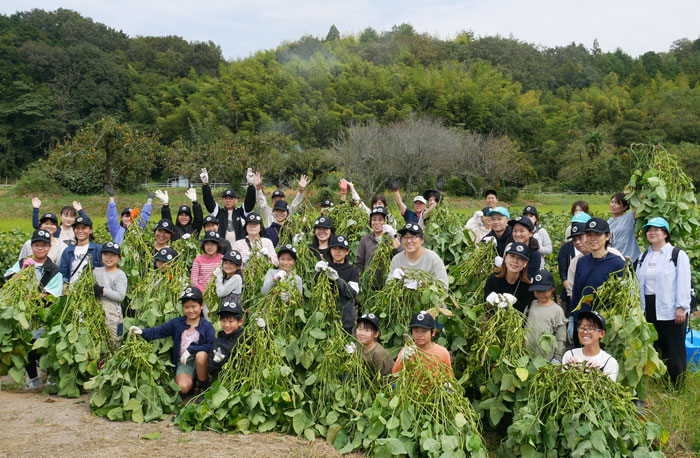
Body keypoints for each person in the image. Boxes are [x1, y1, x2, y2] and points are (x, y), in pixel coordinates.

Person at [5, 229, 63, 389]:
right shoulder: (22, 262)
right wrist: (23, 269)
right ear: (31, 246)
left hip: (44, 314)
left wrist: (32, 296)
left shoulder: (53, 269)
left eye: (44, 245)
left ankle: (51, 377)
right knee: (26, 346)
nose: (40, 248)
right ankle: (33, 379)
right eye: (36, 245)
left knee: (45, 346)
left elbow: (53, 293)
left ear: (49, 247)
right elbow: (8, 278)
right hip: (24, 314)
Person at [635, 217, 690, 387]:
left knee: (673, 347)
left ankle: (676, 385)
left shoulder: (676, 255)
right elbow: (637, 283)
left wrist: (681, 307)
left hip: (669, 306)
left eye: (657, 229)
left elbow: (683, 282)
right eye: (649, 229)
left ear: (665, 233)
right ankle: (659, 382)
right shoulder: (643, 256)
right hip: (648, 306)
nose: (652, 232)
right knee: (655, 346)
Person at [130, 287, 215, 395]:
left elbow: (211, 345)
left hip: (201, 361)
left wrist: (191, 350)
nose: (190, 310)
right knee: (182, 388)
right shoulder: (177, 323)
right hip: (184, 363)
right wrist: (142, 332)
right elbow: (159, 331)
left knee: (201, 355)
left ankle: (203, 386)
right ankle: (191, 383)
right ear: (182, 307)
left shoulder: (207, 326)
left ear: (202, 305)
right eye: (186, 307)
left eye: (194, 306)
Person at [569, 218, 625, 328]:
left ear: (607, 236)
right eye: (589, 235)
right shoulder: (582, 262)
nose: (592, 239)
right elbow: (576, 292)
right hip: (584, 320)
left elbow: (622, 297)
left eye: (597, 235)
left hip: (606, 322)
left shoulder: (617, 263)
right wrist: (573, 317)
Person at [315, 234, 360, 334]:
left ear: (347, 251)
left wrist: (337, 279)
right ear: (330, 250)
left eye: (341, 249)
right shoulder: (325, 268)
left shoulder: (352, 270)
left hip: (345, 321)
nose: (337, 252)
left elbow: (352, 293)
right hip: (326, 319)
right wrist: (317, 273)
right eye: (334, 248)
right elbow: (316, 290)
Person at [200, 167, 256, 246]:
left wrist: (250, 186)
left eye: (231, 198)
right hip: (222, 248)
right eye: (225, 198)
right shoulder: (218, 212)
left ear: (236, 200)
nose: (228, 200)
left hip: (240, 248)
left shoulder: (241, 211)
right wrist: (205, 185)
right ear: (222, 200)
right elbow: (208, 201)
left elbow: (250, 202)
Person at [387, 223, 449, 289]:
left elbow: (443, 287)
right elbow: (388, 285)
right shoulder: (397, 259)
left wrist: (424, 286)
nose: (408, 241)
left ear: (422, 240)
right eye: (405, 237)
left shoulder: (433, 259)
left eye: (413, 237)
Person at [207, 300, 260, 377]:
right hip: (227, 379)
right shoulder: (219, 341)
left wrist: (264, 329)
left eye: (231, 321)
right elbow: (211, 369)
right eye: (223, 321)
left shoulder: (248, 334)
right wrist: (217, 362)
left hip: (247, 377)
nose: (227, 325)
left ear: (240, 322)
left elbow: (267, 345)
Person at [563, 311, 619, 381]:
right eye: (582, 328)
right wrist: (570, 372)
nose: (585, 332)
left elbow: (608, 390)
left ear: (601, 334)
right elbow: (562, 384)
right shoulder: (570, 355)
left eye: (590, 329)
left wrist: (595, 377)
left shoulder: (609, 362)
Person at [392, 311, 452, 377]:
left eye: (424, 331)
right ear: (411, 332)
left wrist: (447, 384)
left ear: (433, 332)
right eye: (416, 331)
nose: (420, 335)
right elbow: (395, 375)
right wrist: (402, 360)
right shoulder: (408, 351)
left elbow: (449, 375)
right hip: (412, 386)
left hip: (433, 387)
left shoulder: (442, 352)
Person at [525, 270, 567, 362]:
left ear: (552, 289)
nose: (540, 294)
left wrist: (557, 358)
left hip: (546, 360)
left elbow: (560, 338)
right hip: (526, 357)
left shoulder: (557, 311)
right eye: (537, 291)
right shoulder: (530, 305)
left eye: (544, 291)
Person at [355, 207, 402, 288]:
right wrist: (361, 280)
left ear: (385, 222)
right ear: (370, 222)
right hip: (370, 285)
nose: (377, 222)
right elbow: (359, 262)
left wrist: (393, 236)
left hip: (389, 285)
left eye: (380, 219)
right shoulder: (365, 240)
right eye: (374, 219)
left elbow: (400, 255)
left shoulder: (393, 238)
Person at [92, 241, 127, 347]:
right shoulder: (95, 271)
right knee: (97, 342)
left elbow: (121, 296)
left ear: (119, 258)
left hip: (113, 314)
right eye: (105, 254)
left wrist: (103, 291)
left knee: (114, 341)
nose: (109, 257)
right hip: (96, 311)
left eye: (113, 255)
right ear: (101, 256)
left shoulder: (120, 275)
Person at [484, 242, 533, 314]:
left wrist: (515, 302)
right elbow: (485, 309)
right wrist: (491, 303)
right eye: (512, 256)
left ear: (525, 263)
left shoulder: (527, 285)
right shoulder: (493, 279)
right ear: (505, 258)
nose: (515, 261)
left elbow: (525, 311)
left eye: (520, 258)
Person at [59, 214, 103, 289]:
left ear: (91, 230)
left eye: (84, 228)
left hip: (92, 292)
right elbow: (63, 274)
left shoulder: (98, 249)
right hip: (73, 293)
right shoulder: (68, 251)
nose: (80, 231)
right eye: (77, 228)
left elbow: (104, 271)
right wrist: (65, 289)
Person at [556, 215, 590, 310]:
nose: (578, 242)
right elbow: (563, 273)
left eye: (581, 238)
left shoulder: (611, 255)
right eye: (575, 240)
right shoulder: (575, 261)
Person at [353, 313, 394, 377]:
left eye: (367, 330)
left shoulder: (378, 353)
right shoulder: (359, 344)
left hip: (384, 382)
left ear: (376, 334)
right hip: (367, 377)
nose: (362, 333)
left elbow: (382, 379)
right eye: (360, 329)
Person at [608, 192, 640, 262]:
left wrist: (632, 191)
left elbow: (640, 202)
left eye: (617, 203)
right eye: (612, 202)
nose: (612, 205)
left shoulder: (629, 217)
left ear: (625, 207)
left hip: (631, 259)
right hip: (615, 260)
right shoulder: (609, 222)